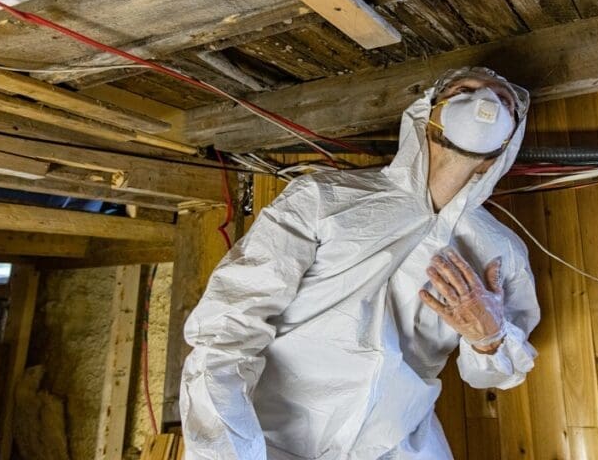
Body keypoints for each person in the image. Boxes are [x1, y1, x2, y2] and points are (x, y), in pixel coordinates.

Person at [180, 67, 540, 459]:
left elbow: (497, 375)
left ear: (505, 145)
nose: (484, 102)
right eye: (464, 90)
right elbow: (227, 328)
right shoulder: (323, 198)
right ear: (429, 115)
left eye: (503, 101)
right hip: (270, 441)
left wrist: (489, 337)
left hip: (399, 446)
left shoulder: (501, 252)